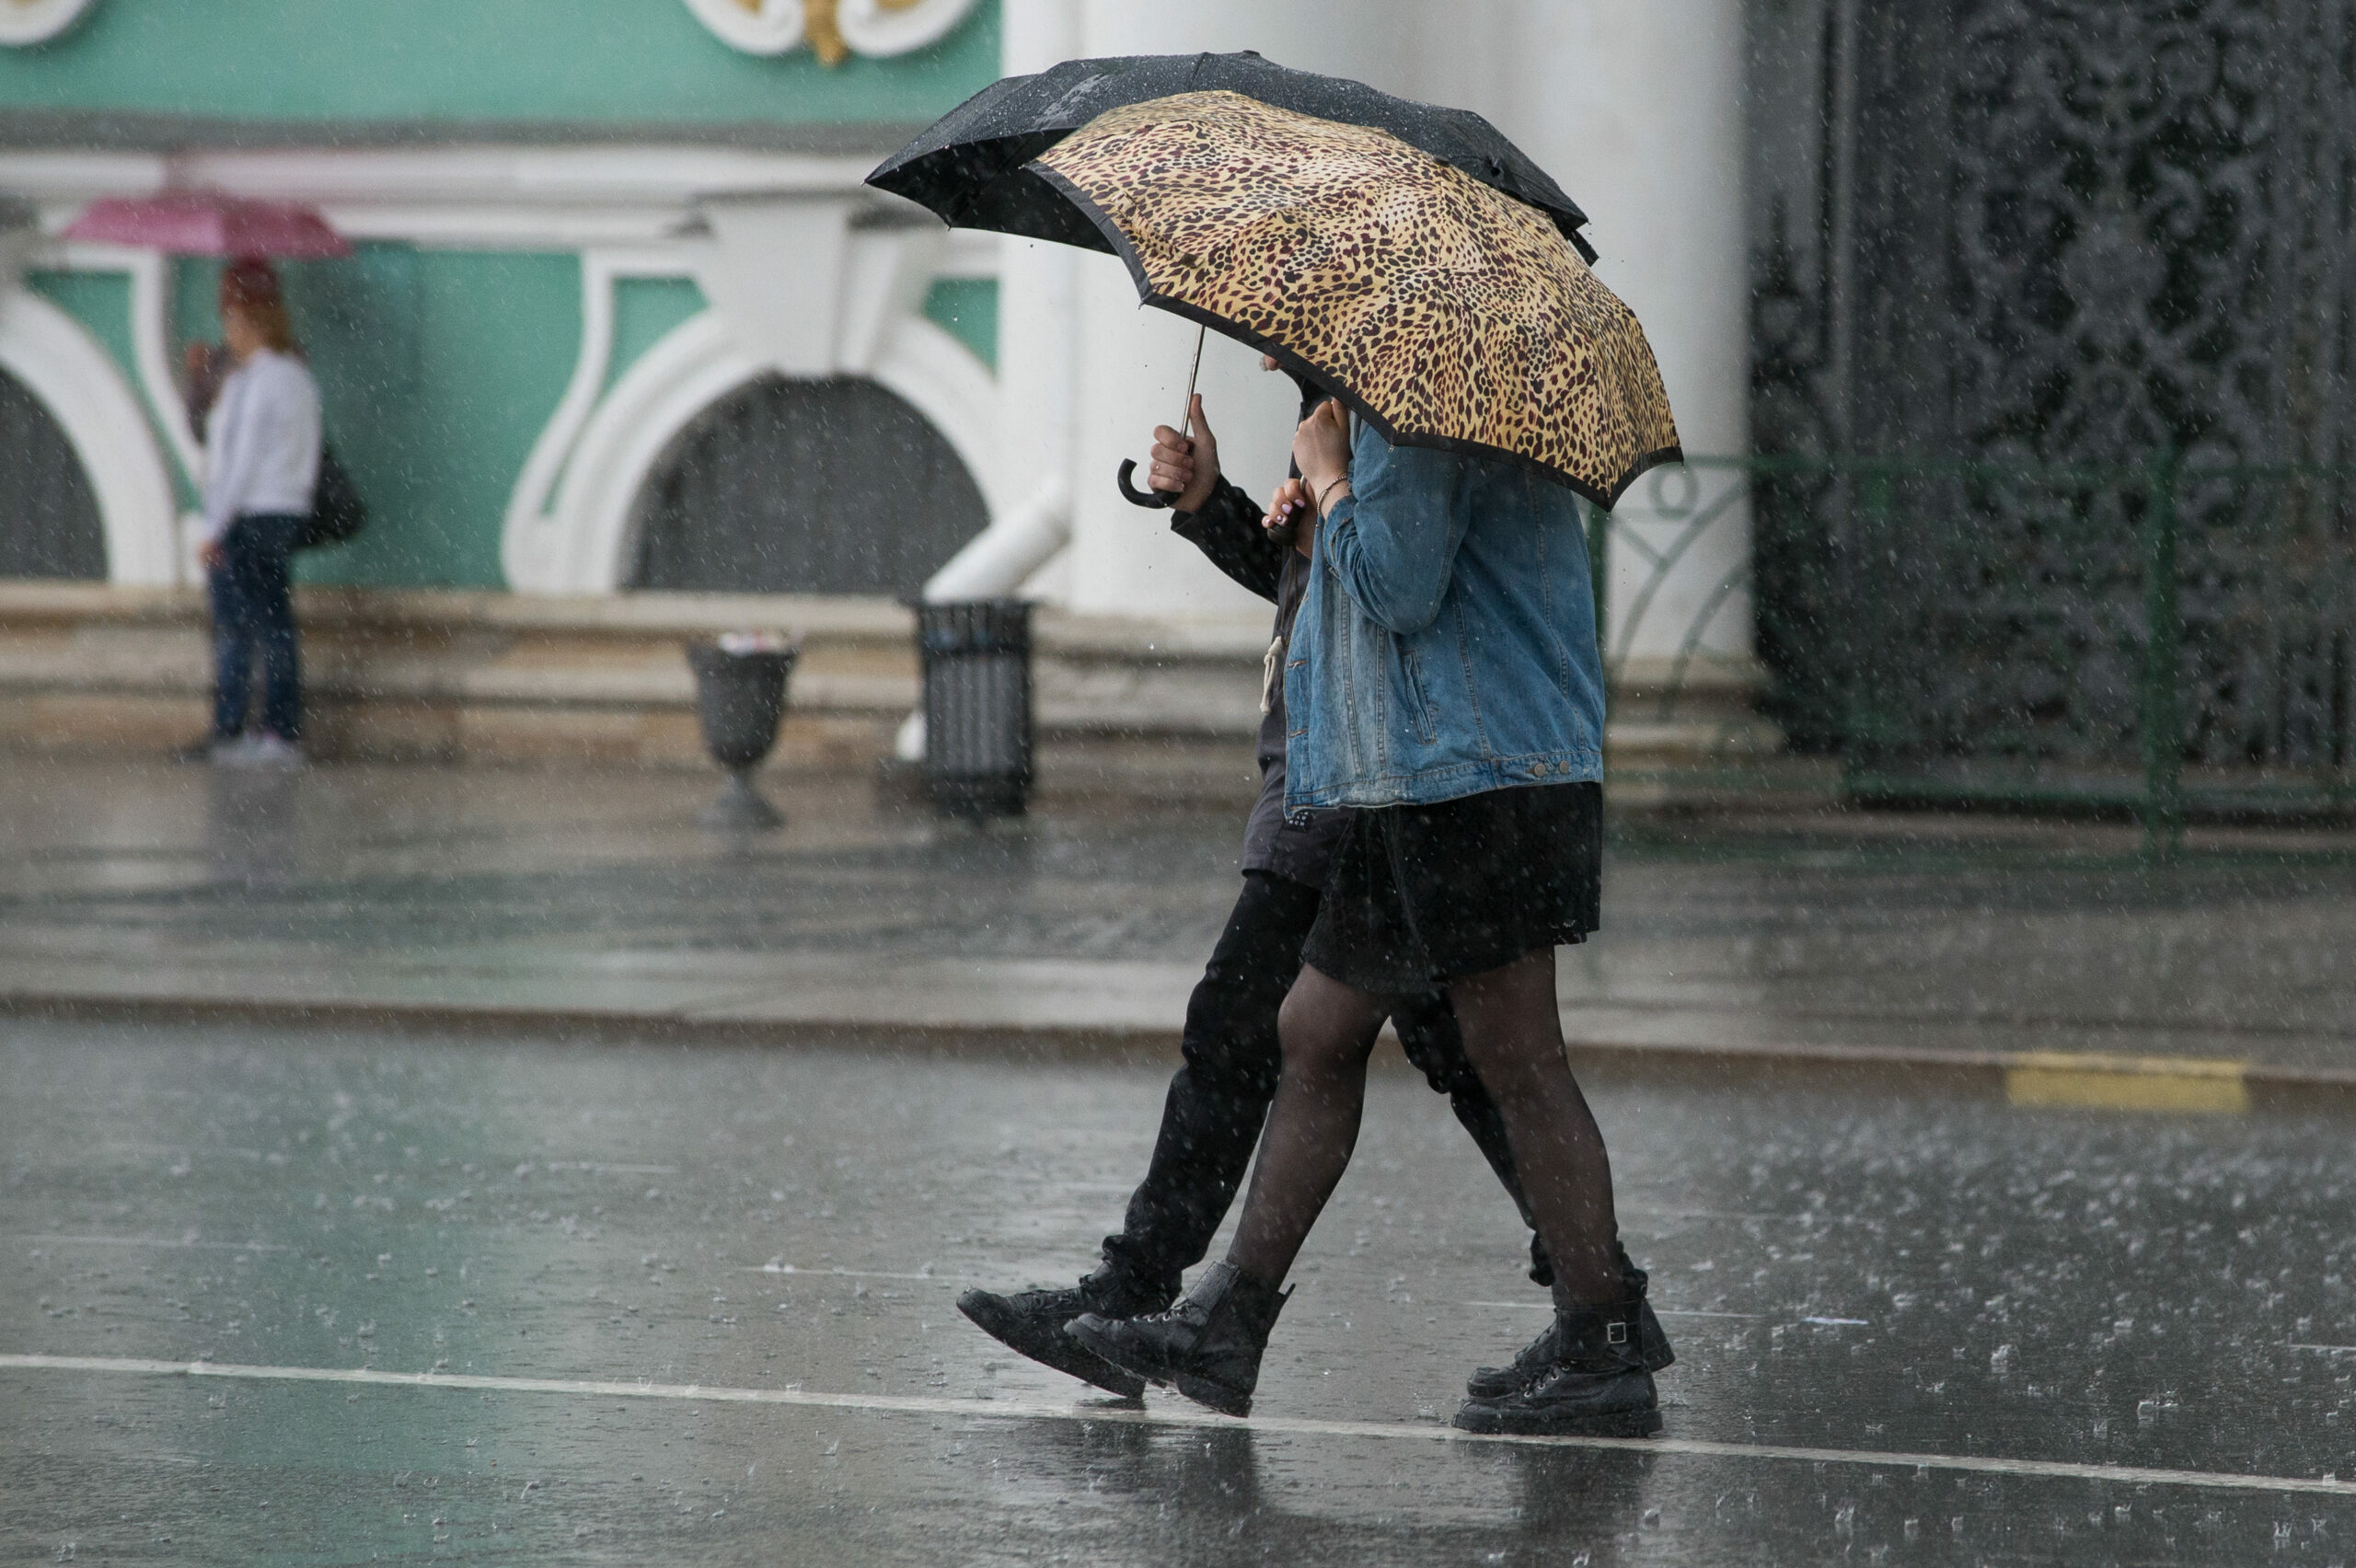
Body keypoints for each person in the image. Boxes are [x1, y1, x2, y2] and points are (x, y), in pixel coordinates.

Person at [956, 364, 1668, 1400]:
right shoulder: (1379, 410)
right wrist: (1250, 510)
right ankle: (1223, 1325)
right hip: (1400, 778)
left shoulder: (1419, 404)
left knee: (1501, 1061)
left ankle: (1601, 1328)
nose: (1266, 343)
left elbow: (1397, 585)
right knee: (1324, 1036)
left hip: (1463, 771)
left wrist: (1329, 483)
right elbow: (1343, 585)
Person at [193, 259, 320, 768]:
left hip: (250, 515)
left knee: (246, 626)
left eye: (231, 321)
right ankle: (271, 729)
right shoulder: (296, 377)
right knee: (272, 623)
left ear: (248, 321)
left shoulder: (261, 381)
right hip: (283, 511)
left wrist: (215, 527)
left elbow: (238, 462)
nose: (229, 332)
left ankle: (254, 731)